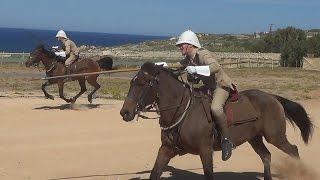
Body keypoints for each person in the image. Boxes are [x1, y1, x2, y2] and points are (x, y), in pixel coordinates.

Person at [175, 30, 234, 161]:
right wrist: (162, 66)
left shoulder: (202, 54)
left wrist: (195, 69)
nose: (179, 47)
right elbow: (178, 66)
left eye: (181, 45)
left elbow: (215, 67)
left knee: (216, 109)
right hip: (208, 87)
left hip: (220, 86)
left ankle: (226, 140)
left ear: (190, 45)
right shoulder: (189, 58)